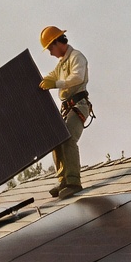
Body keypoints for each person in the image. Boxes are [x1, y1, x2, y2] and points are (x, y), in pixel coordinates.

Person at [38, 26, 92, 198]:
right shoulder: (61, 64)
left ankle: (74, 182)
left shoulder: (77, 57)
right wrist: (42, 81)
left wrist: (56, 84)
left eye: (50, 48)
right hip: (68, 107)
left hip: (79, 104)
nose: (50, 53)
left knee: (68, 138)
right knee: (58, 139)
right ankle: (63, 181)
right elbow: (51, 77)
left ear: (57, 42)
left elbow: (77, 77)